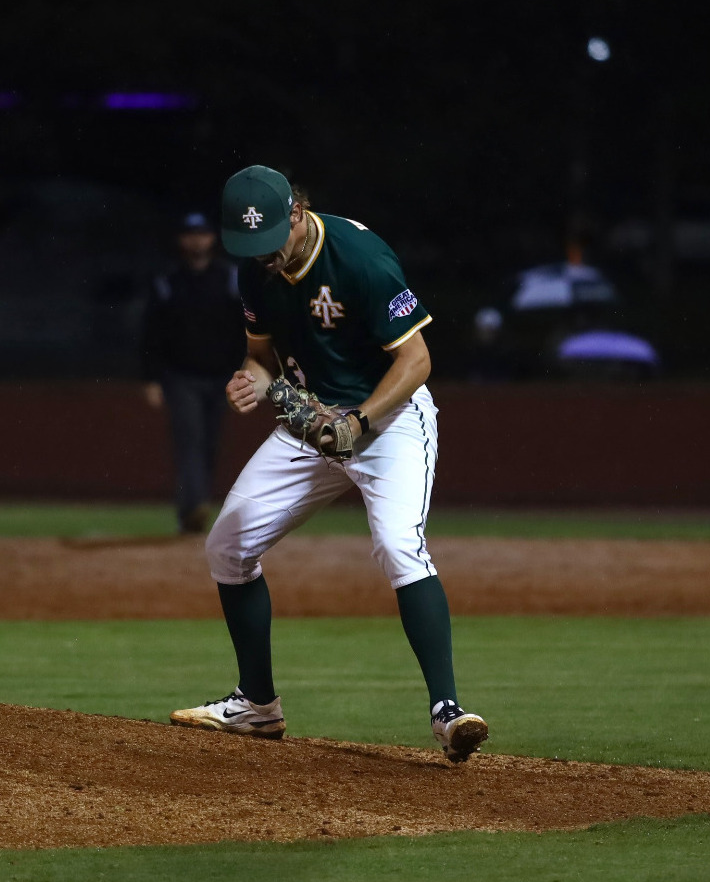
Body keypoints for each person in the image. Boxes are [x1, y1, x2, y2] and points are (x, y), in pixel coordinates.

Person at [169, 166, 489, 762]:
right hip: (310, 422)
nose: (258, 255)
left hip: (388, 420)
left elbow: (416, 359)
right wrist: (251, 381)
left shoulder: (361, 258)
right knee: (227, 546)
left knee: (399, 546)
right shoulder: (254, 267)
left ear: (295, 212)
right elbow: (261, 356)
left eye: (266, 239)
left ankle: (447, 714)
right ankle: (256, 707)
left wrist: (360, 422)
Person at [140, 211, 247, 533]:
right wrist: (150, 378)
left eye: (202, 233)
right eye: (190, 234)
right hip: (181, 376)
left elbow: (248, 328)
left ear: (212, 238)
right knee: (190, 440)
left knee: (210, 442)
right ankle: (194, 506)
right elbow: (150, 335)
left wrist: (245, 369)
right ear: (181, 240)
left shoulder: (231, 279)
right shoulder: (167, 282)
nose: (196, 240)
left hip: (222, 377)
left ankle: (195, 509)